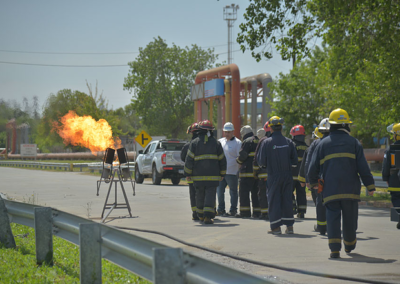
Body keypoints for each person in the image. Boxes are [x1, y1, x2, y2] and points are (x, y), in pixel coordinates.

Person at [308, 108, 375, 258]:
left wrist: (313, 182)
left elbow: (313, 167)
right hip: (350, 189)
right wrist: (370, 185)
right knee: (350, 218)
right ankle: (350, 244)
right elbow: (363, 167)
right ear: (346, 125)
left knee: (332, 217)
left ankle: (334, 249)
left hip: (330, 189)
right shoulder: (354, 143)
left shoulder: (322, 144)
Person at [256, 116, 298, 234]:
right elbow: (295, 162)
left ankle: (275, 227)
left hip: (273, 175)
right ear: (281, 127)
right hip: (287, 176)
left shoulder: (266, 142)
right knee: (287, 200)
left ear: (271, 128)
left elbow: (261, 162)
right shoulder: (289, 142)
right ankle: (289, 227)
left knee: (274, 200)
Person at [184, 120, 227, 224]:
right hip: (212, 177)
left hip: (198, 177)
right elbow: (222, 159)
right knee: (210, 195)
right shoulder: (216, 143)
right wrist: (222, 173)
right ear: (211, 131)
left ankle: (201, 216)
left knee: (199, 195)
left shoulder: (194, 143)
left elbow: (189, 159)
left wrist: (188, 173)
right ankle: (208, 216)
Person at [299, 119, 330, 235]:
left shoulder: (315, 144)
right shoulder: (338, 142)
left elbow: (308, 163)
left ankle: (321, 227)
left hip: (319, 181)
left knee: (320, 201)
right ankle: (332, 225)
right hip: (333, 179)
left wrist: (309, 181)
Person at [216, 122, 242, 217]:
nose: (227, 134)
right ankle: (221, 209)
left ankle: (233, 210)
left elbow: (240, 158)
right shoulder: (220, 142)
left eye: (229, 132)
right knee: (219, 192)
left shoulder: (238, 143)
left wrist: (238, 170)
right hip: (221, 173)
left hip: (232, 172)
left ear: (232, 132)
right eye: (225, 132)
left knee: (233, 192)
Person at [236, 125, 260, 218]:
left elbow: (243, 155)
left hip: (246, 173)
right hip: (257, 173)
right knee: (255, 193)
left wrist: (238, 161)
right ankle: (257, 213)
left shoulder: (246, 141)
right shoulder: (258, 140)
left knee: (244, 193)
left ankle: (245, 213)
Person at [382, 123, 400, 229]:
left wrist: (385, 178)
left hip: (395, 181)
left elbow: (386, 166)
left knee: (397, 200)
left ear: (396, 135)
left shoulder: (390, 149)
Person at [181, 122, 200, 220]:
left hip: (191, 175)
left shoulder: (188, 146)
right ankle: (206, 212)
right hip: (203, 174)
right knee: (204, 193)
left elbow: (183, 158)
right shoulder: (205, 144)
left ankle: (195, 213)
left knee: (193, 194)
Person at [253, 122, 272, 220]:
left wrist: (255, 171)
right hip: (276, 174)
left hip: (264, 174)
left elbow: (257, 157)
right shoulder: (280, 140)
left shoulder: (263, 141)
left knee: (263, 193)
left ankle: (264, 213)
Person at [290, 125, 308, 218]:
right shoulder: (307, 147)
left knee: (289, 191)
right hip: (302, 176)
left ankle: (292, 208)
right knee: (301, 193)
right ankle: (301, 212)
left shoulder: (292, 145)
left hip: (292, 174)